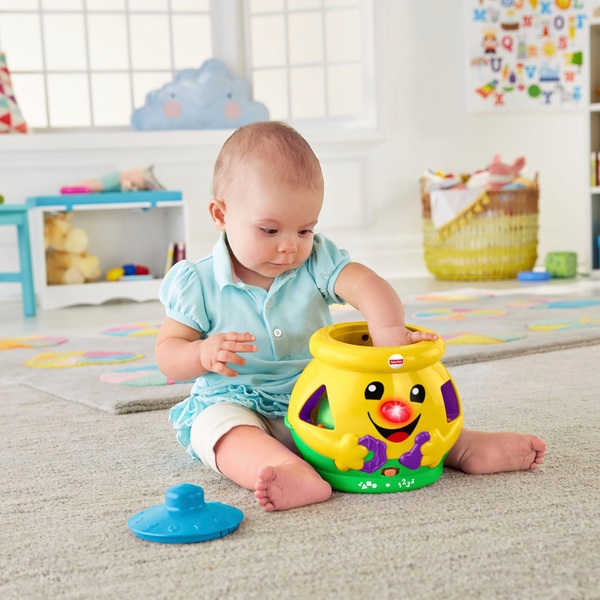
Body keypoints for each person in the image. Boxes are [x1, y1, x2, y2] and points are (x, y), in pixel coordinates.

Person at [156, 121, 546, 512]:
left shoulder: (315, 262)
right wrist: (202, 354)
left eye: (305, 230)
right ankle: (284, 467)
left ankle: (462, 446)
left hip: (320, 404)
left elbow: (365, 284)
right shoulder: (196, 281)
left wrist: (389, 331)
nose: (290, 246)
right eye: (270, 229)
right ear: (220, 215)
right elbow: (168, 354)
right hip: (236, 401)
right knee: (218, 431)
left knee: (390, 419)